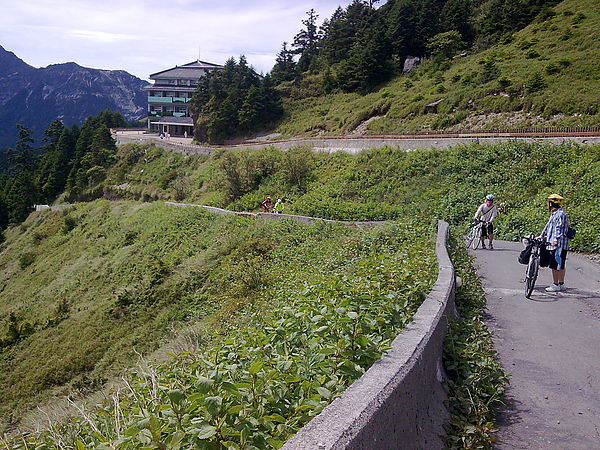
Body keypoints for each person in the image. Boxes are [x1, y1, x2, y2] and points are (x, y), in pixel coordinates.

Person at [540, 194, 569, 292]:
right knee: (560, 264)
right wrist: (541, 235)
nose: (547, 204)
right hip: (556, 243)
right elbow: (548, 226)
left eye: (548, 202)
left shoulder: (560, 214)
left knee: (555, 264)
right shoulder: (554, 213)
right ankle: (561, 284)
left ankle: (556, 284)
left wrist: (555, 241)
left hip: (558, 244)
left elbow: (559, 228)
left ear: (551, 203)